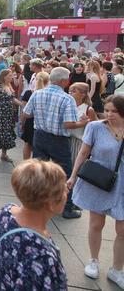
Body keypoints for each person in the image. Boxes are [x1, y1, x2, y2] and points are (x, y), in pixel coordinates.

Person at [0, 159, 68, 290]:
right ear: (50, 203)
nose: (67, 192)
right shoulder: (41, 256)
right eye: (63, 189)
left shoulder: (4, 214)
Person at [68, 95, 124, 286]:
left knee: (123, 229)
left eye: (114, 111)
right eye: (107, 110)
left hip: (122, 185)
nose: (109, 114)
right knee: (95, 224)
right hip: (99, 182)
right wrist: (73, 176)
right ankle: (93, 260)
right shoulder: (95, 127)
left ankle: (117, 269)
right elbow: (83, 153)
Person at [23, 66, 88, 219]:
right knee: (65, 173)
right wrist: (83, 123)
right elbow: (68, 124)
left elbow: (26, 113)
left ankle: (37, 203)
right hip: (58, 139)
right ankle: (66, 207)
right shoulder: (67, 98)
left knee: (40, 171)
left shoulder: (37, 93)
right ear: (65, 81)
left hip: (39, 135)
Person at [0, 69, 23, 163]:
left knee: (7, 134)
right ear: (4, 76)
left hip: (8, 115)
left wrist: (22, 105)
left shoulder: (9, 86)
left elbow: (12, 99)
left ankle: (4, 154)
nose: (12, 77)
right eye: (10, 75)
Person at [20, 72, 50, 160]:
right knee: (40, 147)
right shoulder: (48, 95)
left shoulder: (29, 93)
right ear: (48, 81)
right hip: (43, 123)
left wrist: (22, 123)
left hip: (30, 121)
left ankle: (25, 163)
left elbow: (24, 111)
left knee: (27, 144)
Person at [68, 82, 97, 163]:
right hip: (66, 140)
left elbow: (94, 128)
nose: (70, 93)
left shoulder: (88, 109)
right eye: (70, 91)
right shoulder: (68, 106)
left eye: (73, 91)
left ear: (83, 94)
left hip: (79, 142)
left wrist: (86, 122)